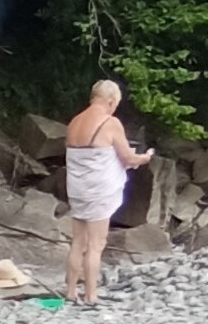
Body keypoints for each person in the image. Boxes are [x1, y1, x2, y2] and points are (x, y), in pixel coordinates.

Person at [62, 77, 151, 305]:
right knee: (96, 244)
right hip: (99, 189)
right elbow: (127, 157)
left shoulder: (74, 122)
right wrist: (143, 158)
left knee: (77, 241)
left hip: (77, 188)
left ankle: (71, 292)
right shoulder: (110, 123)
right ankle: (91, 296)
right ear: (111, 101)